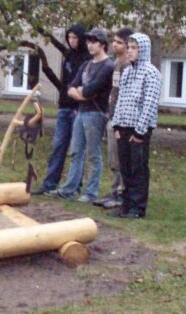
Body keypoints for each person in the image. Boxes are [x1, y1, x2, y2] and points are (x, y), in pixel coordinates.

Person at [57, 28, 115, 203]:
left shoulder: (108, 66)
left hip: (95, 113)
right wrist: (81, 93)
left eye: (94, 42)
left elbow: (91, 89)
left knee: (93, 154)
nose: (90, 45)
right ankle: (70, 188)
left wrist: (83, 92)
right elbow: (70, 87)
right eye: (88, 42)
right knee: (76, 151)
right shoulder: (86, 65)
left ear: (103, 44)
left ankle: (91, 192)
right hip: (81, 111)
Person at [109, 33, 162, 219]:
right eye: (129, 47)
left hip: (139, 128)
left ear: (143, 49)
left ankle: (138, 208)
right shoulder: (127, 71)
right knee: (125, 168)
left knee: (138, 168)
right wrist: (116, 126)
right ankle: (126, 205)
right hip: (123, 126)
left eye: (133, 48)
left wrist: (140, 132)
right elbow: (120, 99)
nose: (129, 51)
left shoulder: (151, 73)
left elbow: (149, 104)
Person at [33, 25, 88, 195]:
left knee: (77, 149)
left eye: (75, 38)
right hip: (64, 107)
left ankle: (74, 185)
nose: (72, 41)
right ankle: (50, 183)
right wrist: (62, 102)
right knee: (58, 145)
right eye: (69, 37)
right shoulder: (68, 56)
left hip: (78, 108)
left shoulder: (87, 58)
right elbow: (65, 81)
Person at [96, 27, 133, 209]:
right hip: (112, 114)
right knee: (112, 157)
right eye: (114, 41)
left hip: (122, 118)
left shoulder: (128, 65)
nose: (114, 45)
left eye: (119, 42)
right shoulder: (116, 64)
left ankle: (122, 192)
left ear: (127, 45)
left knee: (120, 157)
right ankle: (114, 189)